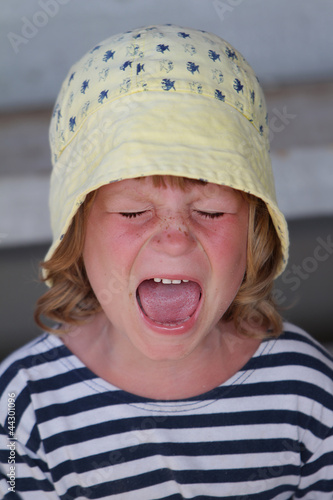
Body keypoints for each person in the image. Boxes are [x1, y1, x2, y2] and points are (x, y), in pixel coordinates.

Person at [0, 25, 332, 499]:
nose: (175, 241)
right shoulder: (21, 404)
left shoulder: (308, 390)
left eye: (210, 211)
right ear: (77, 229)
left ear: (252, 234)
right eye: (134, 211)